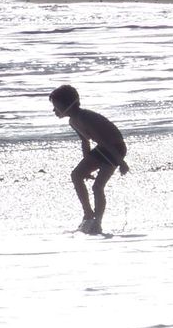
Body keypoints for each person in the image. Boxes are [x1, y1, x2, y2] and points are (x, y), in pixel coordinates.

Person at [49, 85, 129, 234]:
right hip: (103, 148)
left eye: (56, 106)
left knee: (97, 187)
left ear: (67, 105)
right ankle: (88, 213)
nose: (54, 110)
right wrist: (86, 166)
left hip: (115, 148)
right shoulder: (73, 121)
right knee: (76, 175)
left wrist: (121, 162)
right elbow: (85, 142)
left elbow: (103, 140)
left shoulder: (85, 118)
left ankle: (97, 223)